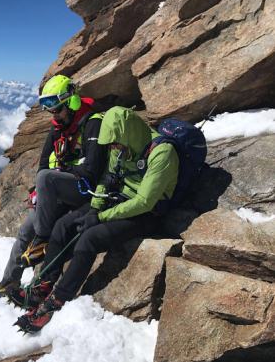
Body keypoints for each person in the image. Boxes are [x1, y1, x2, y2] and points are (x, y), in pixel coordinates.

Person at [14, 106, 180, 333]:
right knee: (63, 225)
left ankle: (57, 301)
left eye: (114, 143)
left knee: (89, 239)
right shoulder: (121, 145)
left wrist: (101, 217)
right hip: (117, 200)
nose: (112, 148)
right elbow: (107, 178)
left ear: (126, 132)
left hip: (146, 215)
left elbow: (144, 202)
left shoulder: (162, 153)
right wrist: (94, 209)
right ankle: (44, 284)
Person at [0, 75, 108, 303]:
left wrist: (55, 179)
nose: (54, 115)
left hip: (85, 190)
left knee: (45, 181)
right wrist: (40, 191)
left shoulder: (93, 123)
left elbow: (92, 171)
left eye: (57, 109)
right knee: (24, 231)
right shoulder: (59, 127)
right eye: (50, 111)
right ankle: (8, 282)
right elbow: (44, 162)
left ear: (70, 102)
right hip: (63, 189)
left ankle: (42, 242)